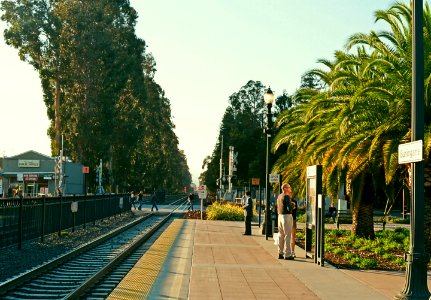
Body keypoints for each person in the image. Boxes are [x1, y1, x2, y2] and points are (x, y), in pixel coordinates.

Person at [277, 183, 294, 260]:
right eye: (289, 187)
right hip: (286, 216)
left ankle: (280, 252)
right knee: (287, 235)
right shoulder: (286, 196)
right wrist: (292, 205)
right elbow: (289, 208)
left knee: (281, 235)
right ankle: (287, 254)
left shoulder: (279, 196)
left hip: (280, 216)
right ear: (285, 188)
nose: (290, 189)